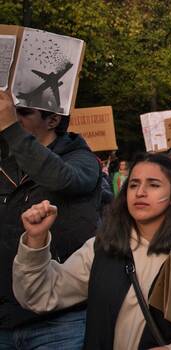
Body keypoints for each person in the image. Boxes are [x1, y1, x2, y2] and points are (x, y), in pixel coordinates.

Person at [13, 154, 171, 349]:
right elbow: (38, 295)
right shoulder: (102, 247)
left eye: (153, 185)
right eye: (134, 184)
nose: (140, 192)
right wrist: (35, 240)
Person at [0, 91, 101, 349]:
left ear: (53, 120)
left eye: (22, 113)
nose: (11, 116)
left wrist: (11, 129)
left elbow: (61, 178)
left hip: (59, 322)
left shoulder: (82, 160)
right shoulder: (4, 161)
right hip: (5, 317)